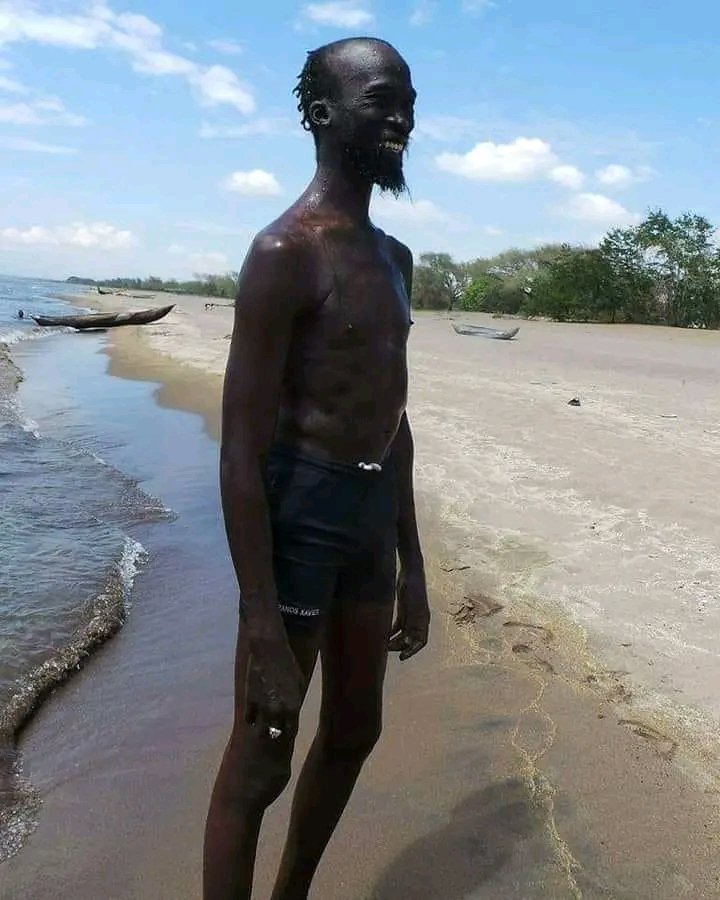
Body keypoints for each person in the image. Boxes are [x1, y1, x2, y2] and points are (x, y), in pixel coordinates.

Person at [203, 36, 430, 900]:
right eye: (382, 99)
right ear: (323, 115)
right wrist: (261, 621)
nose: (403, 116)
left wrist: (414, 566)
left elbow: (394, 421)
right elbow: (239, 450)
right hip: (299, 515)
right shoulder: (283, 252)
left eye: (409, 98)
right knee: (264, 751)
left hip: (370, 521)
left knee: (354, 731)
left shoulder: (395, 259)